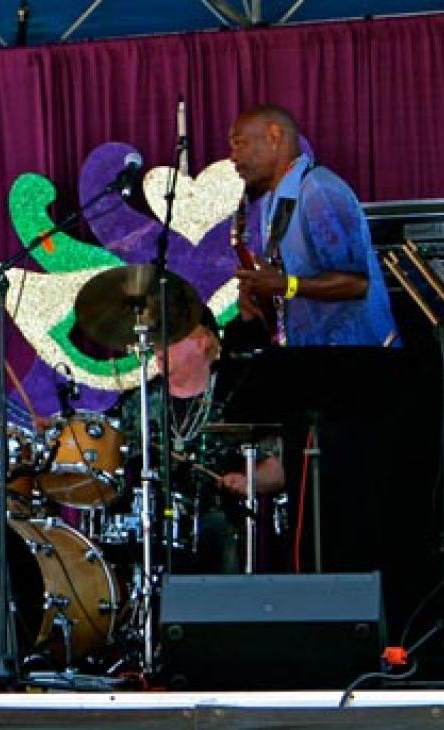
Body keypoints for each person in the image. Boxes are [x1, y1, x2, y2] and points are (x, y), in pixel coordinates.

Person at [112, 308, 285, 573]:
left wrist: (249, 481)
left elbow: (277, 470)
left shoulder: (236, 396)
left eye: (170, 338)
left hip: (219, 519)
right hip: (154, 520)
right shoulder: (139, 403)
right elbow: (113, 466)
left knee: (218, 530)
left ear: (202, 342)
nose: (159, 346)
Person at [228, 104, 399, 348]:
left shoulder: (320, 190)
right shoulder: (270, 201)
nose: (233, 157)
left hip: (359, 358)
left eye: (239, 143)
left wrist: (285, 285)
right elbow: (291, 283)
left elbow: (357, 283)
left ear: (274, 136)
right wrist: (261, 292)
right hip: (314, 356)